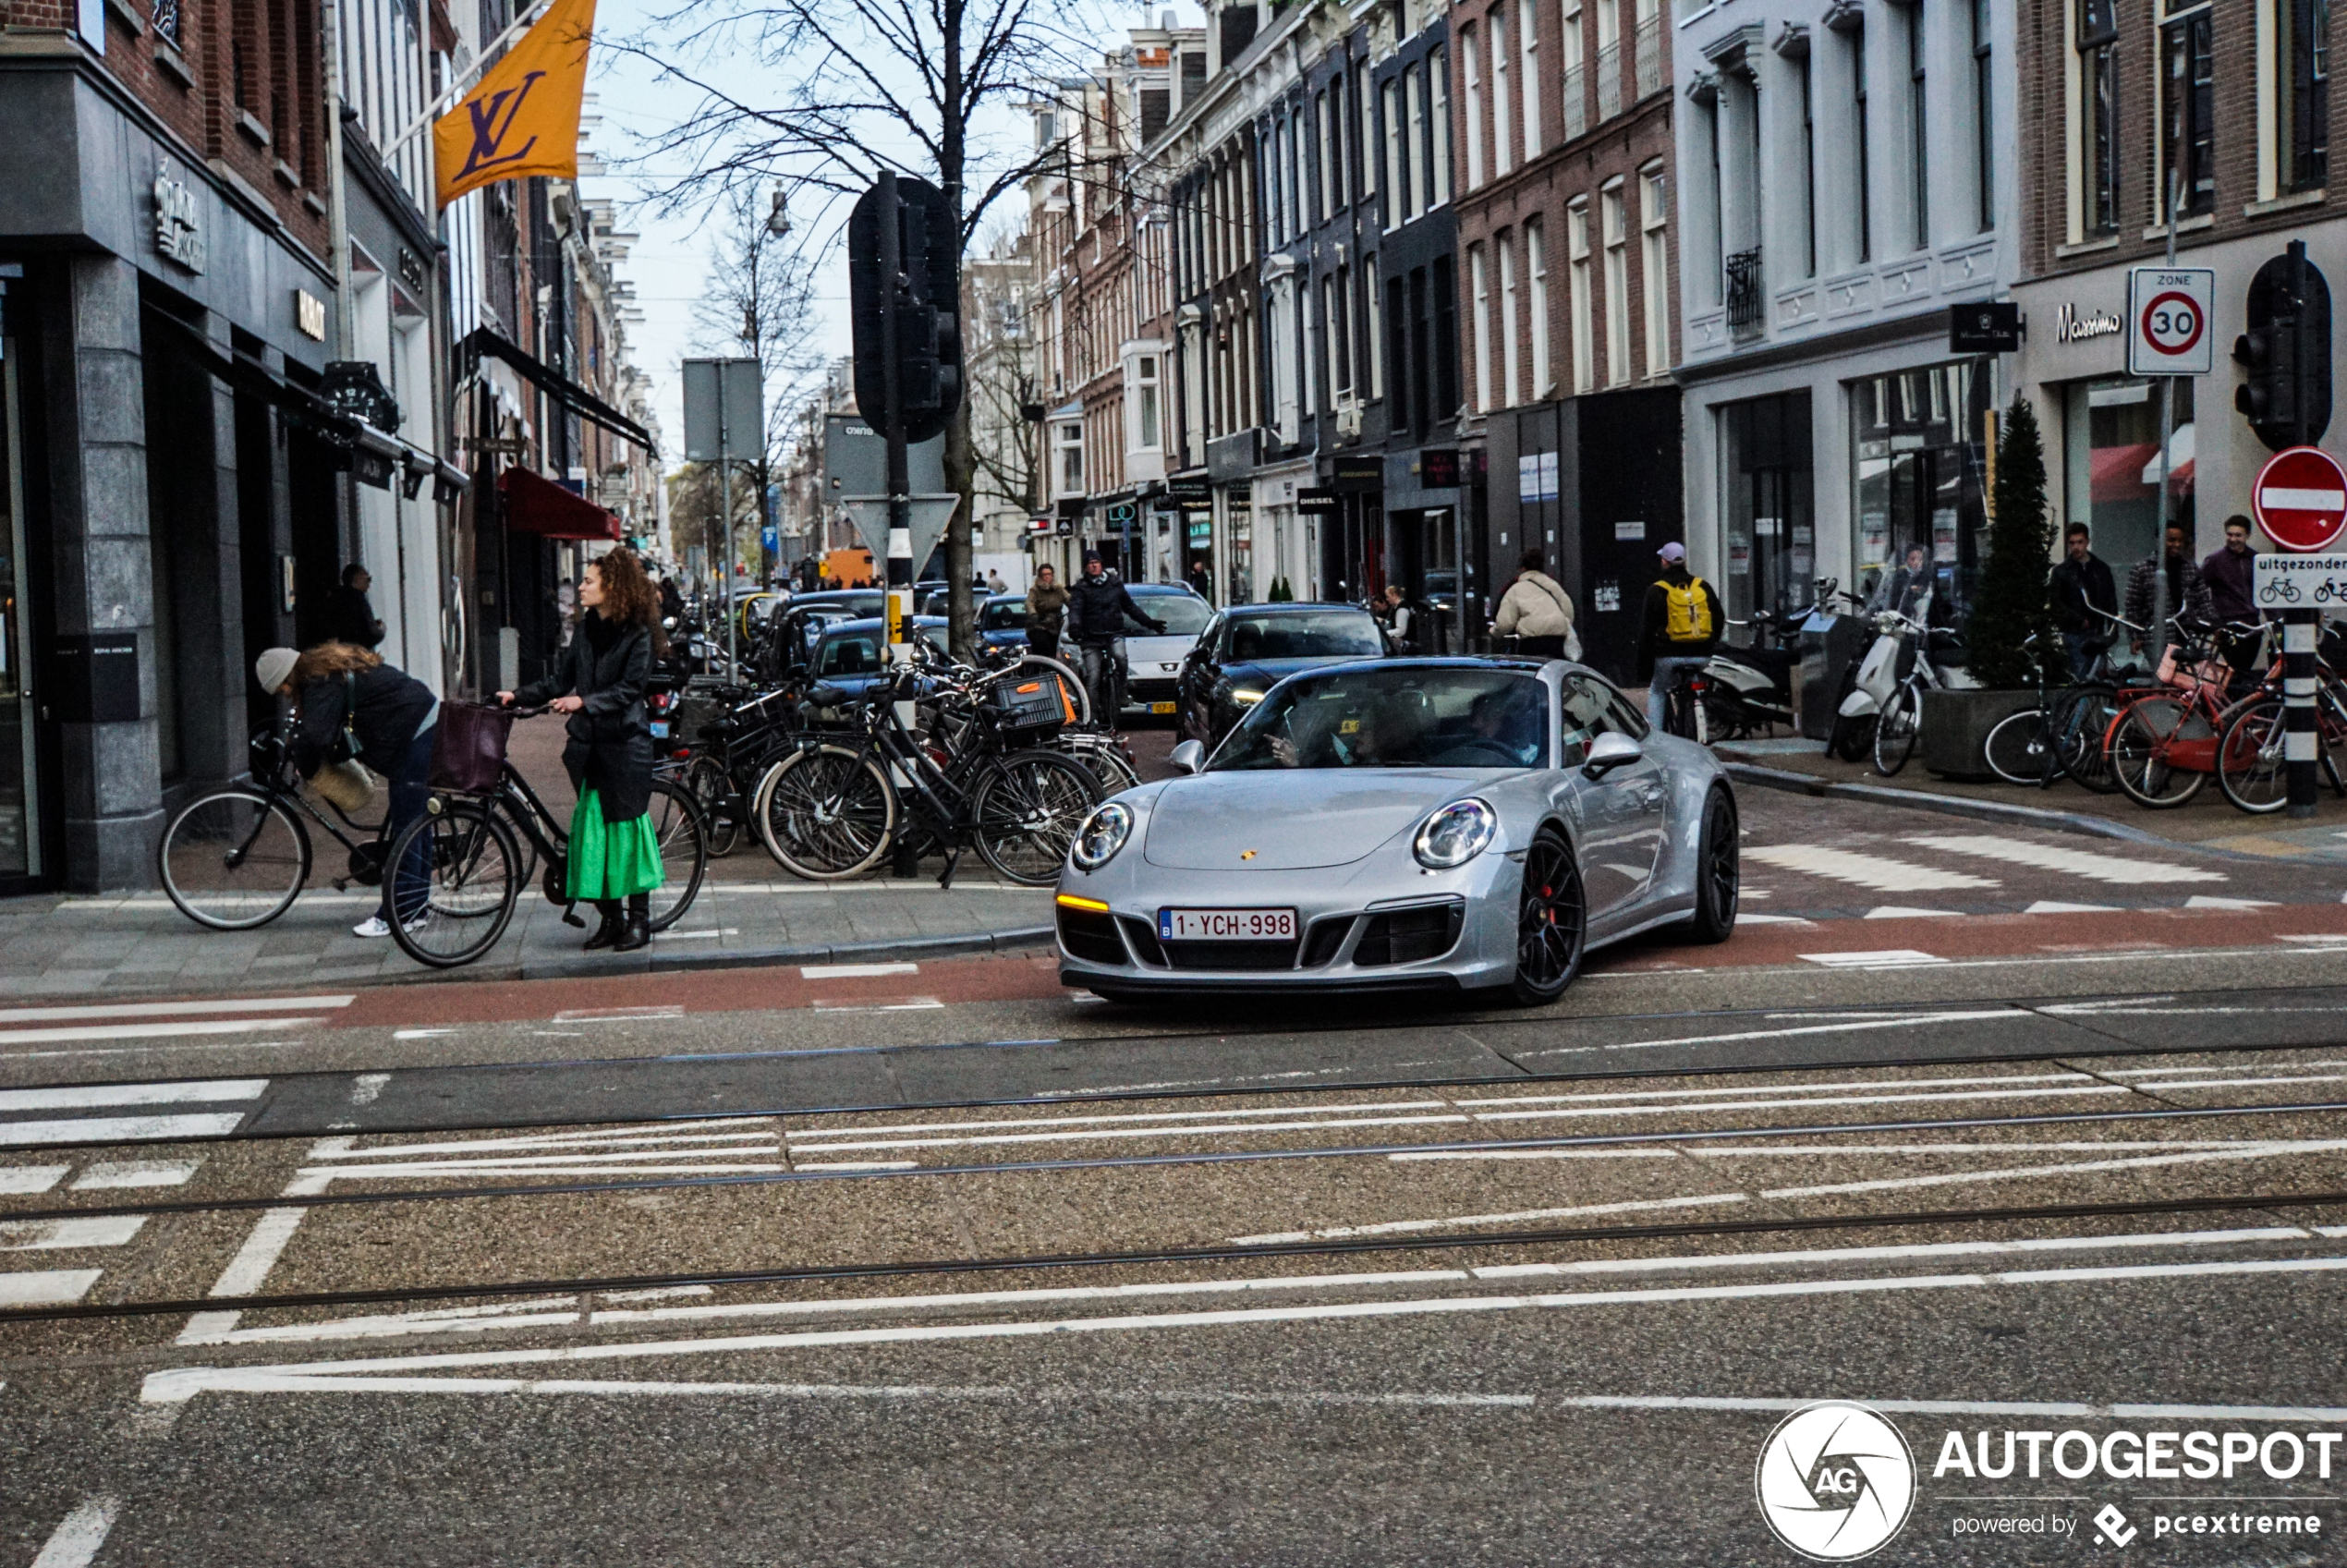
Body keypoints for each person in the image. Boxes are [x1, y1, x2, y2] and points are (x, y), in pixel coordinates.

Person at [499, 549, 666, 954]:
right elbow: (561, 680)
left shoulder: (638, 633)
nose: (582, 588)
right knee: (594, 837)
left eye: (589, 581)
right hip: (590, 746)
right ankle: (612, 920)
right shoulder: (587, 629)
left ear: (613, 587)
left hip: (625, 744)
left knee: (626, 833)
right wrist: (515, 696)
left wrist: (585, 703)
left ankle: (639, 922)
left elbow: (631, 689)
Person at [257, 640, 436, 939]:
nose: (286, 696)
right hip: (419, 721)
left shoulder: (319, 683)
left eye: (283, 689)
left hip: (413, 732)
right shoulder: (326, 667)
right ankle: (415, 909)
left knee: (408, 829)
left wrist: (305, 758)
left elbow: (321, 736)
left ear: (288, 678)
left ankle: (398, 915)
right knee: (416, 825)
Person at [1066, 549, 1166, 724]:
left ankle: (1121, 689)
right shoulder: (1080, 589)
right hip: (1091, 638)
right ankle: (1092, 717)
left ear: (1102, 564)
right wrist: (1075, 626)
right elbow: (1075, 610)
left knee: (1120, 657)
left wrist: (1151, 623)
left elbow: (1130, 608)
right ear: (1086, 568)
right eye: (1090, 564)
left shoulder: (1115, 584)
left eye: (1096, 562)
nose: (1094, 565)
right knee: (1093, 677)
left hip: (1114, 633)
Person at [1636, 542, 1722, 731]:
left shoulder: (1657, 590)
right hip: (1702, 655)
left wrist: (1644, 666)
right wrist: (1710, 643)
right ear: (1684, 562)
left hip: (1669, 655)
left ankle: (1656, 736)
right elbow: (1718, 617)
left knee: (1658, 690)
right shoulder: (1702, 586)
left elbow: (1647, 630)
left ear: (1664, 562)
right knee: (1699, 684)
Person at [2124, 522, 2215, 653]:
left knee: (2183, 673)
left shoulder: (2190, 568)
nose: (2177, 545)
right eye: (2171, 540)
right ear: (2159, 540)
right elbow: (2132, 606)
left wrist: (2214, 624)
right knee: (2163, 673)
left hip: (2185, 635)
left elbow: (2203, 599)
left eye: (2180, 541)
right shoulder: (2142, 569)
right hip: (2154, 637)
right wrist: (2134, 637)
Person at [1493, 550, 1576, 659]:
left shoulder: (1516, 588)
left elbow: (1506, 622)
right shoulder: (1553, 585)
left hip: (1531, 642)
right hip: (1558, 641)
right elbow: (1568, 610)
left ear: (1522, 568)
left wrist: (1495, 632)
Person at [2203, 514, 2260, 625]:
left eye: (2238, 535)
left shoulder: (2256, 559)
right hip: (2226, 622)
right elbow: (2198, 588)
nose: (2233, 539)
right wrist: (2210, 615)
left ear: (2248, 535)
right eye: (2230, 535)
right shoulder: (2215, 560)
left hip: (2252, 621)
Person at [320, 565, 385, 649]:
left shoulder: (333, 598)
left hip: (336, 653)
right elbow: (371, 635)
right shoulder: (358, 600)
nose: (369, 583)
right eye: (368, 579)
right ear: (358, 578)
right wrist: (381, 630)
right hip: (356, 654)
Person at [1867, 543, 1935, 618]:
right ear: (1906, 560)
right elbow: (1882, 597)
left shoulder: (1927, 578)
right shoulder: (1897, 577)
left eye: (1920, 559)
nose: (1916, 563)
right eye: (1912, 559)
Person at [1026, 563, 1068, 657]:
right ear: (1040, 577)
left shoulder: (1059, 589)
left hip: (1056, 624)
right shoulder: (1035, 590)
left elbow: (1069, 600)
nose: (1047, 577)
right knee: (1043, 645)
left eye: (1049, 574)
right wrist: (1033, 615)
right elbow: (1029, 603)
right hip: (1040, 624)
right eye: (1044, 575)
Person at [1380, 585, 1417, 652]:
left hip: (1405, 645)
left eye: (1388, 597)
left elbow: (1401, 631)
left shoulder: (1402, 609)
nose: (1387, 599)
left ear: (1395, 595)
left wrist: (1385, 633)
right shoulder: (1395, 607)